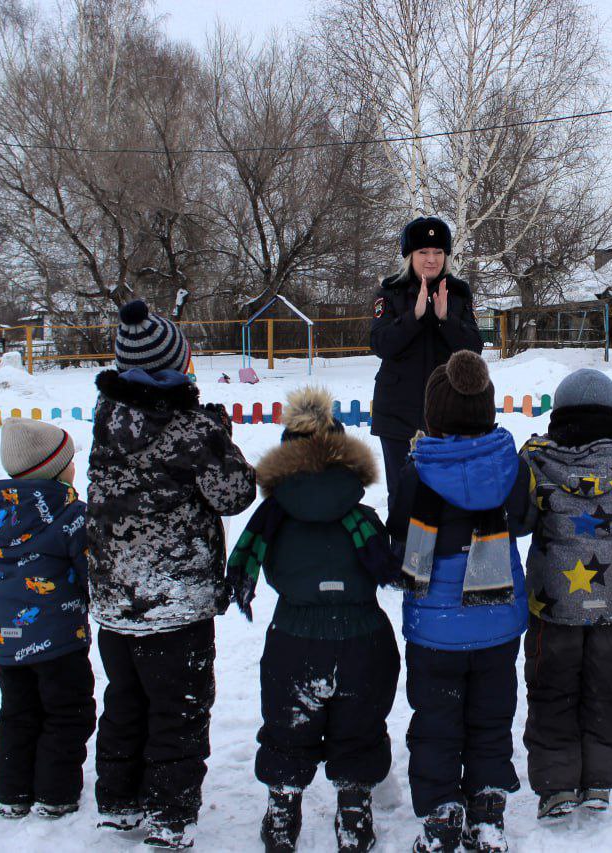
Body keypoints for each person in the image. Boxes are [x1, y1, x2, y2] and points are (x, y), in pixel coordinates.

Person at [87, 300, 257, 849]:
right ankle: (169, 814)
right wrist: (217, 433)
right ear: (176, 366)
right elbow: (234, 494)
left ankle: (117, 800)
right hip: (175, 604)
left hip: (115, 600)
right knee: (178, 711)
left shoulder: (106, 417)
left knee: (124, 701)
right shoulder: (190, 429)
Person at [227, 387, 401, 853]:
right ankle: (353, 812)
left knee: (287, 728)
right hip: (362, 639)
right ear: (344, 459)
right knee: (359, 727)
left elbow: (260, 565)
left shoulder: (272, 520)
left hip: (294, 639)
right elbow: (387, 564)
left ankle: (282, 813)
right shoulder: (361, 516)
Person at [386, 350, 531, 853]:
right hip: (496, 625)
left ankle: (442, 814)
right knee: (491, 716)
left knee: (435, 722)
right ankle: (488, 811)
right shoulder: (511, 465)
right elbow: (526, 516)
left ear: (434, 414)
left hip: (436, 627)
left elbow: (399, 531)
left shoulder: (417, 470)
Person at [518, 368, 612, 820]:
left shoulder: (535, 458)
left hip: (553, 602)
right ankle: (599, 782)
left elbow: (521, 521)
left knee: (551, 690)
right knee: (608, 689)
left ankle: (556, 787)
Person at [0, 419, 94, 820]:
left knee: (17, 712)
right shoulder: (72, 514)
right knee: (67, 712)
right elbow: (90, 571)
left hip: (4, 638)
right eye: (70, 461)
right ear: (56, 469)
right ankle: (55, 793)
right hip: (57, 638)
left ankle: (13, 794)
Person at [370, 217, 484, 506]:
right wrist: (414, 317)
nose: (431, 259)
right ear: (410, 255)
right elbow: (381, 344)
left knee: (447, 498)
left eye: (437, 252)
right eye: (423, 252)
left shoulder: (458, 294)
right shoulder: (391, 292)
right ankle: (402, 552)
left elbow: (473, 349)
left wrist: (447, 319)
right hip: (397, 414)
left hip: (450, 414)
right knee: (402, 496)